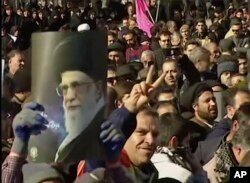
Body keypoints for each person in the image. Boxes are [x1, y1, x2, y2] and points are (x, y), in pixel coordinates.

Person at [152, 113, 208, 182]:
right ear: (174, 142)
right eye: (187, 142)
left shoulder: (144, 167)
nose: (189, 148)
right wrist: (198, 171)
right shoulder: (183, 175)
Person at [181, 82, 218, 151]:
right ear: (195, 106)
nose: (213, 104)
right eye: (207, 101)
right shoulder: (193, 132)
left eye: (214, 99)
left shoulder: (218, 125)